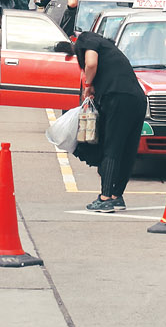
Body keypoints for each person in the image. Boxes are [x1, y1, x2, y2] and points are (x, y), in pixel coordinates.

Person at [59, 29, 147, 212]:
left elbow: (91, 64)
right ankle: (116, 196)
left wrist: (88, 86)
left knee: (112, 147)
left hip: (118, 98)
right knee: (127, 149)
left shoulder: (87, 38)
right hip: (138, 99)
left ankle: (106, 197)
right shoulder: (109, 49)